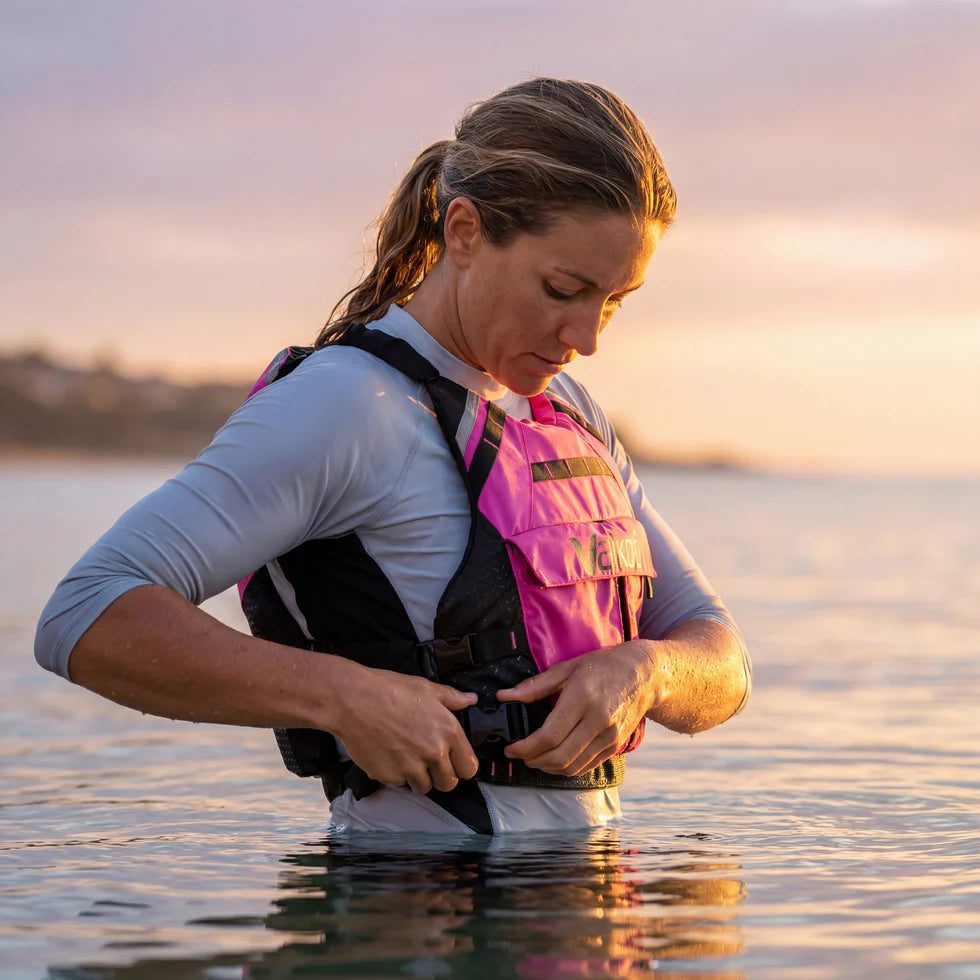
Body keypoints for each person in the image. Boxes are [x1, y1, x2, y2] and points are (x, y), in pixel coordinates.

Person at [35, 78, 751, 835]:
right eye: (562, 288)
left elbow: (720, 654)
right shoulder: (345, 405)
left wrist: (646, 671)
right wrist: (340, 696)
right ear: (466, 231)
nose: (589, 334)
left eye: (614, 299)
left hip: (586, 905)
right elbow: (85, 615)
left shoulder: (570, 412)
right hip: (408, 918)